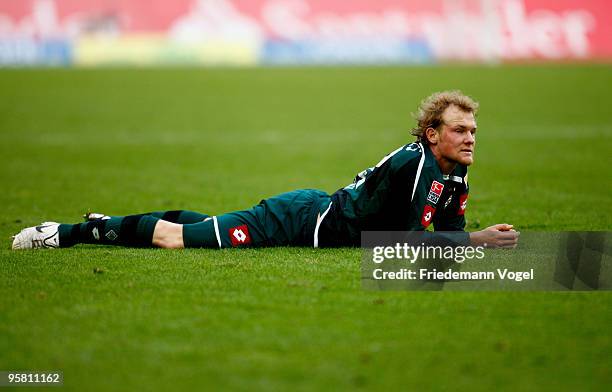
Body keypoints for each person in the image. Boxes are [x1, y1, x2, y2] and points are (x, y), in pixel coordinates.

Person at [11, 90, 519, 250]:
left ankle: (110, 219)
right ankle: (70, 233)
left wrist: (472, 236)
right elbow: (407, 245)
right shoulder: (417, 164)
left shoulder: (452, 171)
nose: (470, 138)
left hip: (315, 218)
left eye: (473, 130)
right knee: (175, 241)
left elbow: (446, 229)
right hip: (300, 220)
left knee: (199, 225)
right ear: (433, 133)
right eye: (460, 130)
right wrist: (476, 244)